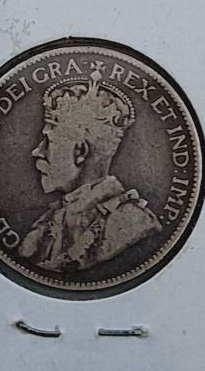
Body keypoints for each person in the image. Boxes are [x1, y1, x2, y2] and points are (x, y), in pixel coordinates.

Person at [18, 72, 162, 273]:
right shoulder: (50, 223)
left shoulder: (134, 223)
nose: (37, 151)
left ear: (80, 152)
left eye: (48, 142)